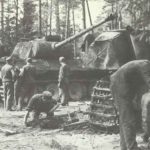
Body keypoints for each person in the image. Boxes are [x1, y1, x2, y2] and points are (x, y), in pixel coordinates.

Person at [110, 60, 150, 150]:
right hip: (120, 87)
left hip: (123, 87)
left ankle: (124, 146)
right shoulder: (145, 65)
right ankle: (132, 147)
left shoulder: (144, 66)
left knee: (125, 119)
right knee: (128, 119)